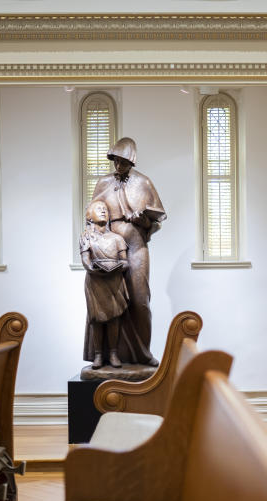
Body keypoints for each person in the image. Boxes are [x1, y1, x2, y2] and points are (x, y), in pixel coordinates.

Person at [91, 137, 166, 366]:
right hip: (109, 247)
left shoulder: (143, 183)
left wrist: (143, 219)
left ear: (131, 161)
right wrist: (92, 240)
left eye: (123, 162)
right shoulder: (103, 183)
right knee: (109, 301)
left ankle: (143, 353)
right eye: (116, 161)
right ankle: (107, 355)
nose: (118, 166)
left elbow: (157, 219)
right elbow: (92, 214)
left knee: (140, 299)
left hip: (135, 247)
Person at [80, 199, 130, 369]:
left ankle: (114, 353)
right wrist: (94, 268)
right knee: (97, 319)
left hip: (114, 281)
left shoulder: (117, 239)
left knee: (114, 318)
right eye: (98, 209)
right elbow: (86, 260)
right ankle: (98, 355)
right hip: (95, 282)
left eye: (105, 209)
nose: (103, 211)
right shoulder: (86, 237)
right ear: (90, 216)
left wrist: (116, 267)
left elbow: (125, 263)